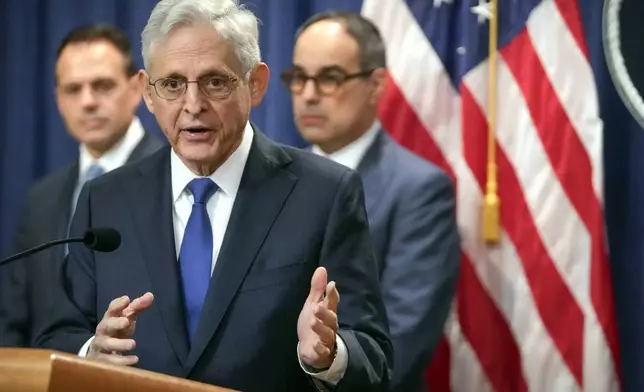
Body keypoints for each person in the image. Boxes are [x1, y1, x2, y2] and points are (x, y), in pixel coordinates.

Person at [32, 1, 392, 391]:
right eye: (172, 84)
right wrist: (92, 354)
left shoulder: (325, 193)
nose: (193, 105)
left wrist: (328, 355)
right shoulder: (104, 199)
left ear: (255, 83)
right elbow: (56, 337)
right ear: (147, 93)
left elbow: (374, 357)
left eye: (214, 82)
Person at [282, 11, 460, 392]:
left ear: (376, 84)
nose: (309, 94)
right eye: (299, 77)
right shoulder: (275, 180)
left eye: (330, 78)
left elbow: (401, 344)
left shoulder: (420, 190)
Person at [0, 24, 164, 347]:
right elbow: (11, 318)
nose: (87, 102)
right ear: (58, 100)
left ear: (137, 89)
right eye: (73, 89)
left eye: (102, 86)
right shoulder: (41, 199)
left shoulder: (172, 176)